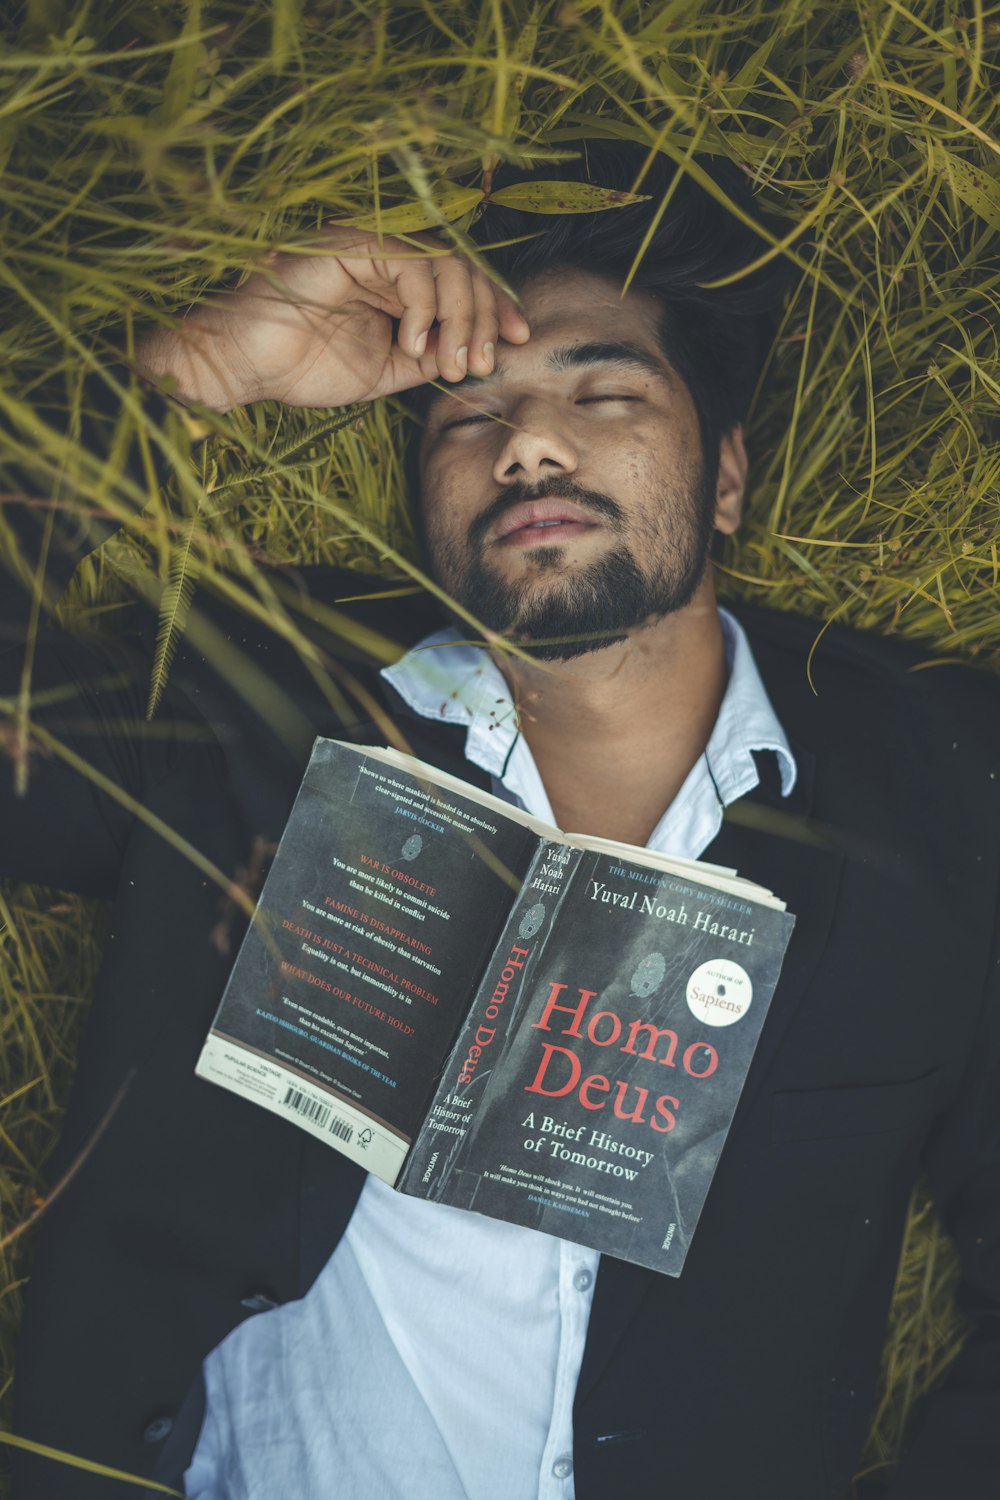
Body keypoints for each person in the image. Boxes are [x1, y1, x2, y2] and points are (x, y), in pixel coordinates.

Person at [3, 143, 999, 1499]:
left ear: (723, 478)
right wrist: (192, 373)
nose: (529, 441)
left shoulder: (940, 781)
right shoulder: (257, 701)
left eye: (605, 391)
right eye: (466, 417)